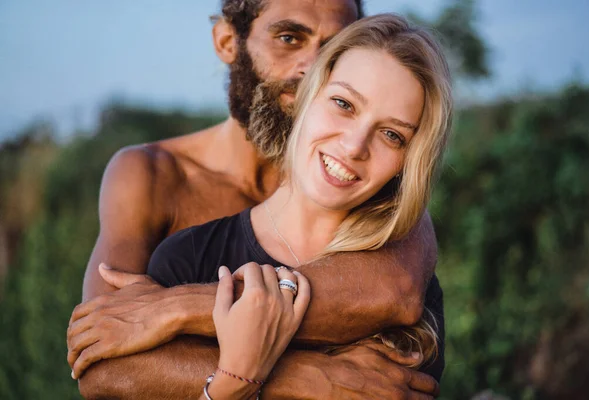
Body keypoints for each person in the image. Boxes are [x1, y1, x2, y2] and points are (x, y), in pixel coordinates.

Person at [67, 1, 446, 399]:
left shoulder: (372, 196)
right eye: (288, 38)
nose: (308, 65)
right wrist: (309, 377)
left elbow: (396, 293)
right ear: (228, 41)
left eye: (332, 47)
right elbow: (103, 354)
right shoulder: (155, 178)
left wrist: (172, 309)